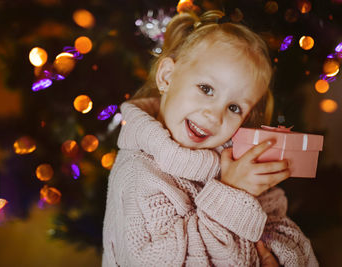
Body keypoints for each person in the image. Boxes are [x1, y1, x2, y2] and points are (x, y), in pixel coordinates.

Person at [102, 9, 318, 266]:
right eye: (206, 89)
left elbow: (277, 227)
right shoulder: (139, 174)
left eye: (234, 108)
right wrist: (232, 193)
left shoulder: (230, 159)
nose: (215, 116)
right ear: (167, 77)